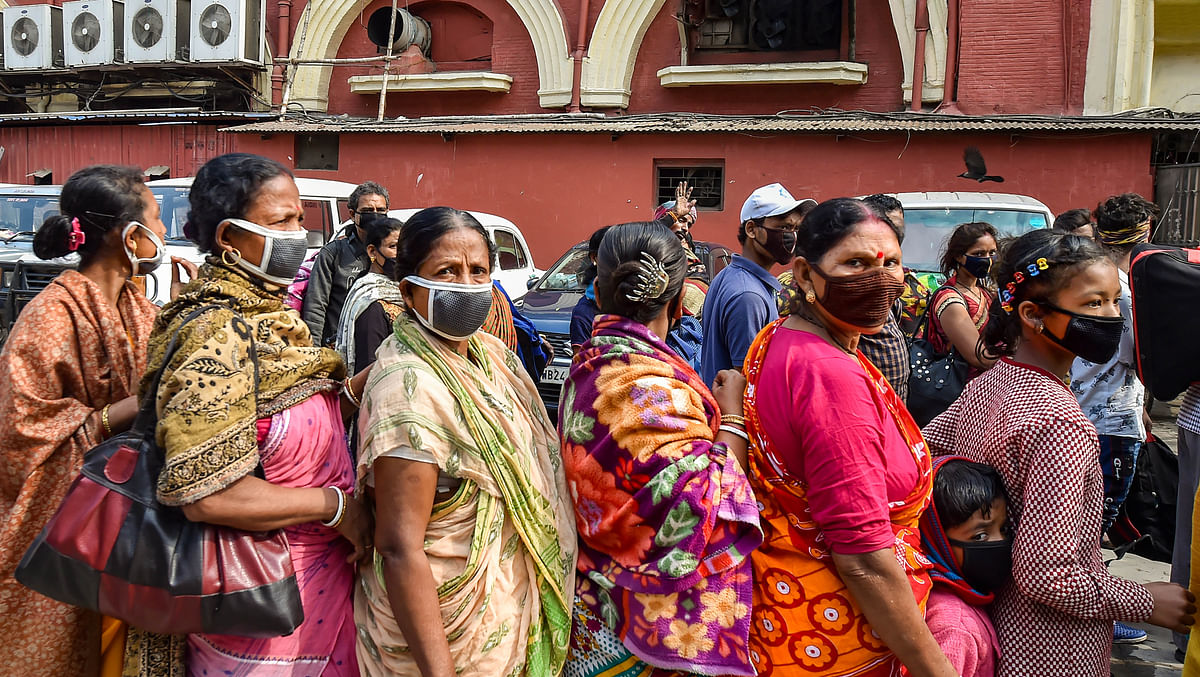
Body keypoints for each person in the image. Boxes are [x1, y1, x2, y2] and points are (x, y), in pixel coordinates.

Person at [132, 153, 371, 675]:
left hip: (316, 602)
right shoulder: (217, 334)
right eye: (279, 222)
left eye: (300, 220)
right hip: (254, 611)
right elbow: (209, 493)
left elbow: (293, 415)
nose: (298, 235)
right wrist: (337, 508)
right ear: (228, 237)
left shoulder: (275, 323)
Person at [923, 229, 1195, 677]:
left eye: (1114, 301)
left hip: (992, 620)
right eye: (1093, 303)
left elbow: (921, 457)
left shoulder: (989, 384)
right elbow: (1050, 576)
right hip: (1050, 647)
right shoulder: (1058, 423)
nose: (1113, 316)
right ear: (1031, 314)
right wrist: (1147, 601)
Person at [354, 206, 576, 677]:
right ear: (410, 291)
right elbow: (398, 548)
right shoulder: (406, 387)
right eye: (447, 272)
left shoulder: (493, 357)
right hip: (444, 636)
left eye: (478, 271)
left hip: (505, 610)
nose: (468, 285)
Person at [743, 198, 957, 677]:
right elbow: (863, 557)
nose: (880, 280)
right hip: (835, 637)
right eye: (855, 263)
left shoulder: (785, 337)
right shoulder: (830, 375)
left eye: (891, 263)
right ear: (804, 274)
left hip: (791, 619)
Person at [0, 165, 182, 676]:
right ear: (129, 235)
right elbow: (20, 430)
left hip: (128, 515)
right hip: (69, 521)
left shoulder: (138, 307)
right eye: (158, 219)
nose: (165, 233)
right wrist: (122, 412)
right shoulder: (49, 316)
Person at [559, 222, 762, 676]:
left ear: (596, 288)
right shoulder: (653, 387)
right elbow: (703, 500)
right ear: (677, 303)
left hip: (595, 593)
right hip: (649, 617)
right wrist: (731, 417)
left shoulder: (591, 364)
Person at [700, 183, 814, 384]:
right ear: (752, 229)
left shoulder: (732, 275)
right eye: (784, 227)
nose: (792, 236)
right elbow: (746, 381)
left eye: (795, 228)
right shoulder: (748, 295)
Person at [919, 457, 1011, 677]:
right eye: (980, 535)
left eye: (1005, 529)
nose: (999, 542)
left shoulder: (962, 597)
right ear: (937, 539)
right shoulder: (954, 627)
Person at [302, 181, 389, 347]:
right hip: (339, 347)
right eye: (367, 211)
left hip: (380, 348)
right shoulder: (333, 253)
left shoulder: (394, 253)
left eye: (380, 210)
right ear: (352, 214)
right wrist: (313, 351)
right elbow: (316, 306)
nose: (375, 215)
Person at [923, 222, 1000, 376]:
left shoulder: (984, 292)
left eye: (992, 253)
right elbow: (979, 357)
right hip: (965, 388)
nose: (987, 260)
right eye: (978, 254)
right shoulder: (950, 300)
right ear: (959, 256)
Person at [336, 216, 404, 373]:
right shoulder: (371, 302)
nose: (401, 254)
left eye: (405, 247)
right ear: (372, 251)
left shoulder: (403, 290)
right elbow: (369, 365)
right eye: (393, 246)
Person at [569, 226, 611, 353]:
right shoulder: (584, 314)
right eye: (612, 253)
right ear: (594, 258)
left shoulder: (636, 304)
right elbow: (582, 367)